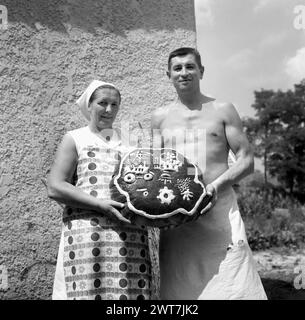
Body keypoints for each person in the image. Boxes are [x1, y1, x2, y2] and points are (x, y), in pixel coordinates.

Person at [151, 47, 267, 300]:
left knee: (235, 284)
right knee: (182, 293)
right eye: (177, 68)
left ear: (201, 71)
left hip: (220, 211)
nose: (184, 73)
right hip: (179, 219)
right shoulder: (159, 118)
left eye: (190, 67)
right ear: (168, 75)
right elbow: (158, 167)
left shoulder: (223, 109)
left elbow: (246, 161)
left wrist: (213, 188)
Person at [48, 80, 152, 300]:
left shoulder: (130, 143)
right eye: (102, 103)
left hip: (128, 237)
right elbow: (55, 186)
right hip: (87, 234)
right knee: (85, 291)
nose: (109, 110)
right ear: (89, 105)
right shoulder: (76, 138)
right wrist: (100, 205)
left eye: (114, 104)